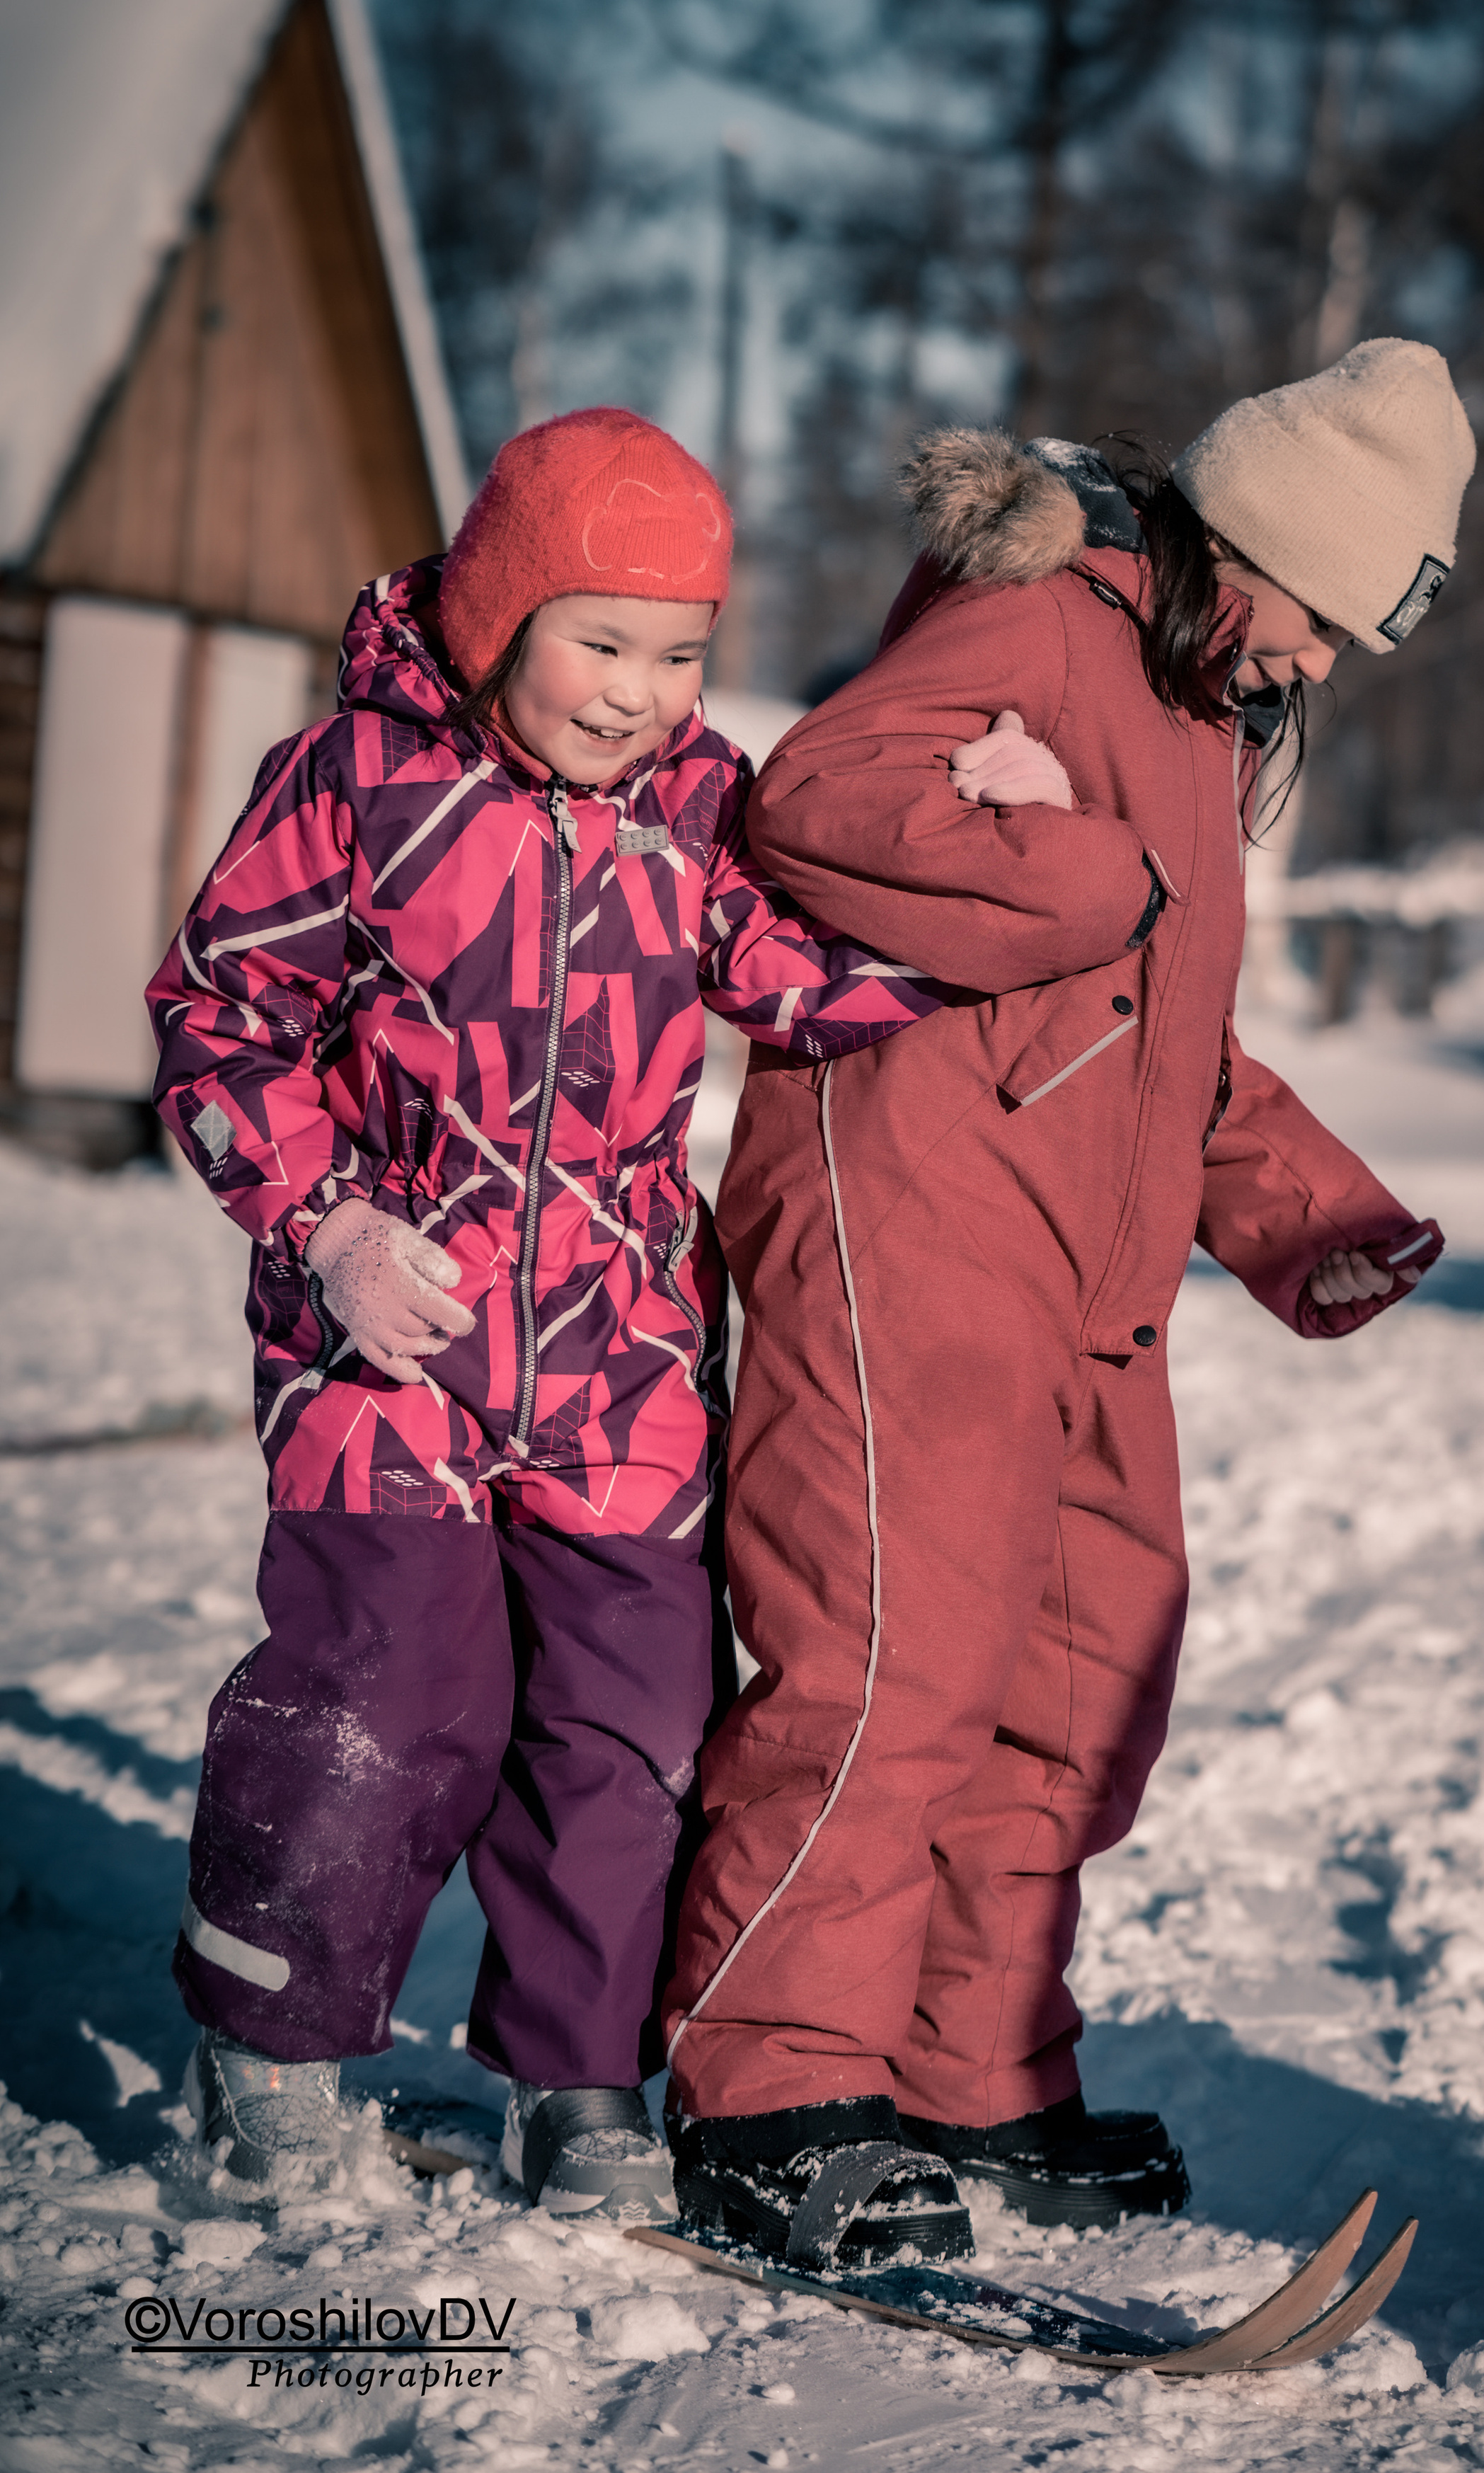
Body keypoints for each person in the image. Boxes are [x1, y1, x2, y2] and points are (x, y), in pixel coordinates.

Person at [658, 338, 1467, 2270]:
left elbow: (1159, 1032)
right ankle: (770, 2082)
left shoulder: (1189, 695)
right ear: (1252, 541)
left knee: (1081, 1684)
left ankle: (969, 2062)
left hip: (1085, 1277)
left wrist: (1300, 1211)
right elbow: (823, 798)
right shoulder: (1044, 607)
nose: (1321, 666)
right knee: (889, 1657)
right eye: (1327, 617)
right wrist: (1080, 864)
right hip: (917, 1214)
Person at [146, 409, 940, 2211]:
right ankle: (268, 2052)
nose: (638, 691)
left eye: (678, 652)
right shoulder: (354, 780)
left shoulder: (697, 810)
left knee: (631, 1719)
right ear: (499, 612)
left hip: (620, 1350)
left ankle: (581, 2084)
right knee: (390, 1689)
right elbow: (217, 1016)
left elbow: (814, 981)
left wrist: (985, 849)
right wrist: (326, 1225)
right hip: (386, 1337)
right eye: (600, 640)